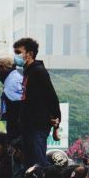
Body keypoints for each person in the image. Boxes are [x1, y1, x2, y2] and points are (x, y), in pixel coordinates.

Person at [13, 36, 62, 168]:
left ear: (29, 54)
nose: (15, 56)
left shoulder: (39, 72)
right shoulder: (27, 72)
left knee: (37, 165)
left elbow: (51, 98)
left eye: (18, 52)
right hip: (27, 126)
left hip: (37, 126)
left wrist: (56, 125)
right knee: (29, 165)